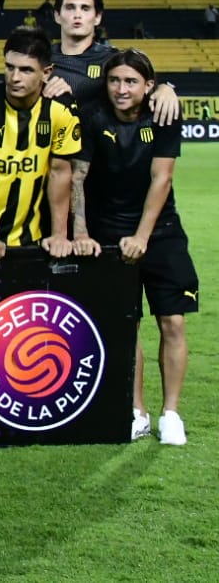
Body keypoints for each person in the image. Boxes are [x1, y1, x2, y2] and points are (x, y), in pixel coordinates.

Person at [73, 49, 198, 445]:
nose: (121, 89)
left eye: (131, 81)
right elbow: (78, 177)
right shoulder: (92, 117)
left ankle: (171, 414)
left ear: (148, 86)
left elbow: (162, 179)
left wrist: (142, 237)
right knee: (128, 326)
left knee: (173, 322)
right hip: (109, 234)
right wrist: (82, 232)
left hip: (160, 232)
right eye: (114, 80)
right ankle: (136, 410)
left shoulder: (164, 114)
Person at [0, 27, 81, 267]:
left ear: (46, 73)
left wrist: (59, 234)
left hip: (31, 239)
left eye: (26, 70)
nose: (14, 77)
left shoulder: (61, 110)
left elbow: (60, 173)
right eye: (10, 67)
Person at [44, 0, 178, 125]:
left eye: (85, 8)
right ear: (57, 16)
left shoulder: (115, 59)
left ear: (97, 17)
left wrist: (165, 89)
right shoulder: (39, 59)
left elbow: (149, 86)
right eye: (70, 8)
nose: (77, 15)